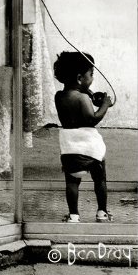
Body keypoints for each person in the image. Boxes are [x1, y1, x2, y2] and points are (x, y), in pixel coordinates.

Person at [53, 51, 114, 223]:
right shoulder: (82, 98)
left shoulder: (59, 96)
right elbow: (92, 119)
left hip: (70, 147)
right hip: (89, 147)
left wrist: (89, 93)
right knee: (100, 179)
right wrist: (104, 105)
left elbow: (74, 108)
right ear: (80, 78)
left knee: (72, 182)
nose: (92, 78)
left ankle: (73, 215)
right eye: (91, 75)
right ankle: (102, 212)